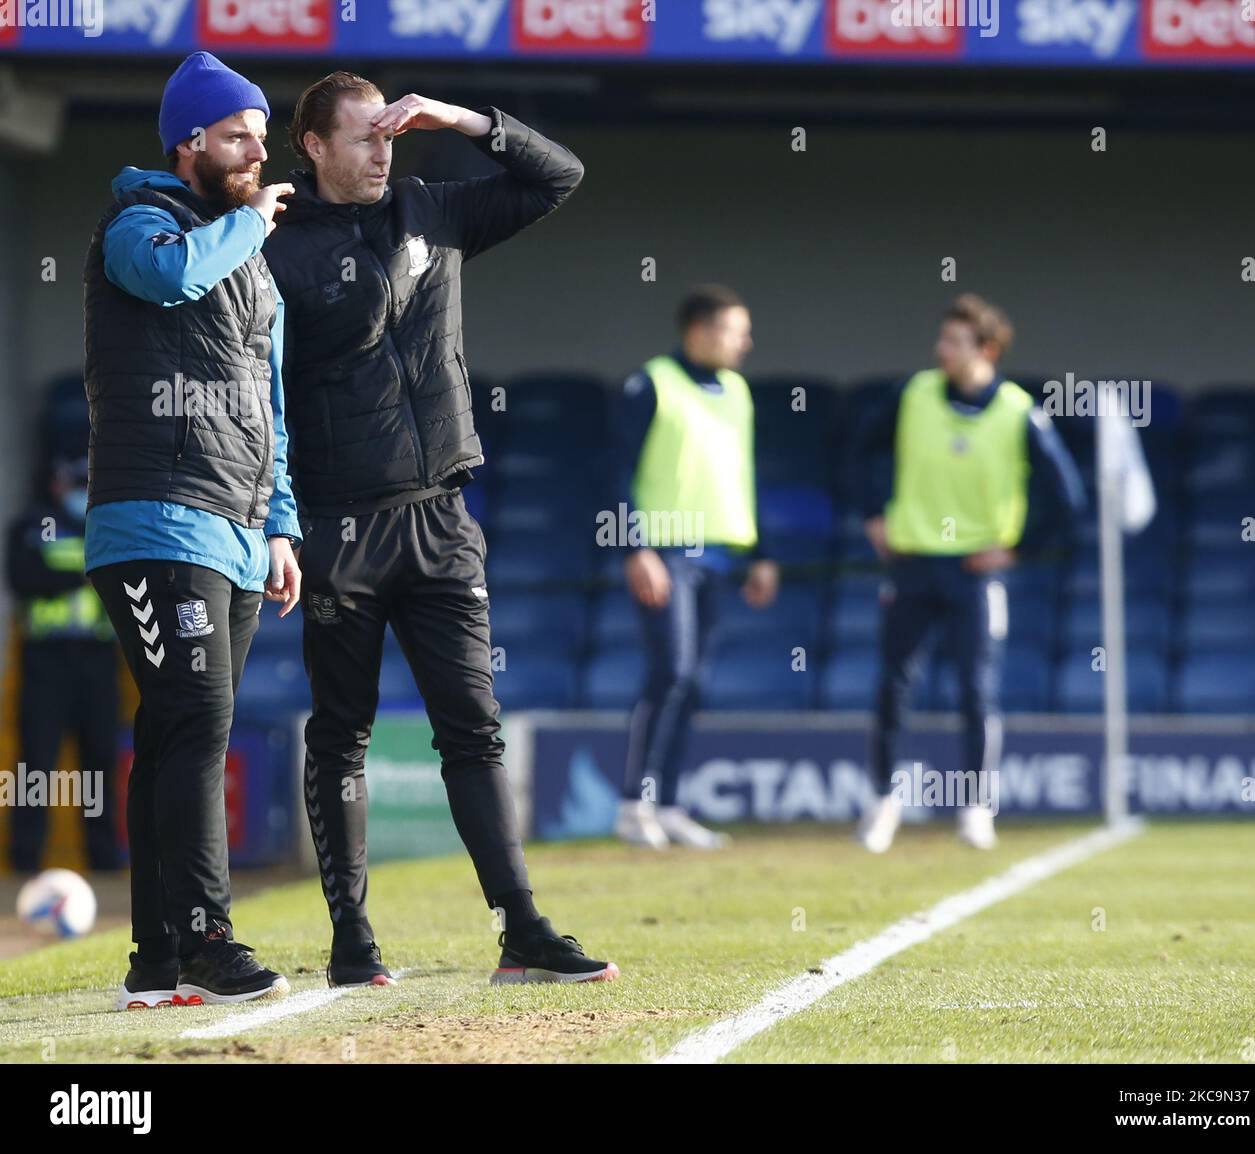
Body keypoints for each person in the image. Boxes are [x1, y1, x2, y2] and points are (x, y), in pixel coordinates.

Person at [262, 71, 616, 985]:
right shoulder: (277, 249)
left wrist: (461, 120)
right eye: (366, 138)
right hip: (341, 526)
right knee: (342, 734)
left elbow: (559, 177)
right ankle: (351, 935)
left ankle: (523, 927)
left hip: (442, 519)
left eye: (392, 136)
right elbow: (256, 397)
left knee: (474, 730)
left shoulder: (432, 209)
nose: (385, 152)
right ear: (313, 145)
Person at [82, 52, 301, 1008]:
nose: (259, 147)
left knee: (175, 730)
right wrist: (248, 225)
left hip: (238, 530)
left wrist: (282, 527)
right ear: (191, 144)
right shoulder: (140, 223)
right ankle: (208, 938)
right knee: (199, 726)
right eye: (239, 134)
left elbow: (270, 409)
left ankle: (155, 957)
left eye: (262, 132)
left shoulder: (251, 260)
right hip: (155, 521)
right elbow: (165, 282)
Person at [853, 294, 1085, 852]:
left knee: (977, 690)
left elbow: (1068, 496)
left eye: (953, 341)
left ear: (986, 349)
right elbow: (857, 451)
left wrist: (1018, 550)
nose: (941, 350)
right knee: (894, 684)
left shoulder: (1018, 411)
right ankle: (884, 802)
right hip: (911, 563)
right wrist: (873, 516)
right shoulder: (912, 396)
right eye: (941, 339)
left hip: (975, 573)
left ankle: (977, 808)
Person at [613, 285, 779, 850]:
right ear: (700, 330)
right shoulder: (651, 384)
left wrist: (759, 553)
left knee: (698, 680)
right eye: (737, 330)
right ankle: (636, 803)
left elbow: (740, 475)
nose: (746, 342)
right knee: (672, 671)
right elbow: (615, 472)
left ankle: (674, 804)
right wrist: (634, 549)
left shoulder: (737, 391)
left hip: (720, 553)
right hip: (665, 552)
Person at [5, 454, 119, 873]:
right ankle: (24, 860)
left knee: (100, 762)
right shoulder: (31, 525)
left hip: (98, 659)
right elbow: (23, 579)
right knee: (35, 765)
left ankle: (104, 861)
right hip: (45, 661)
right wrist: (84, 575)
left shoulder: (107, 524)